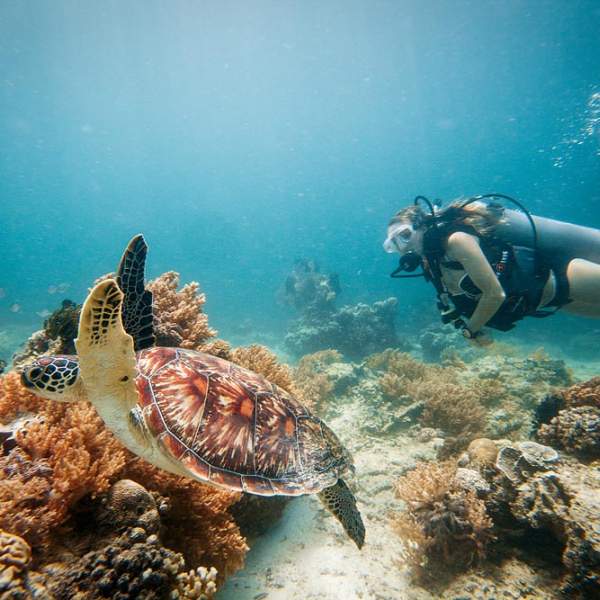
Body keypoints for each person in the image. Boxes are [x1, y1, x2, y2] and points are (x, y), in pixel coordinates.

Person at [383, 194, 600, 342]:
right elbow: (461, 303)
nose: (403, 247)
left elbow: (494, 294)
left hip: (564, 276)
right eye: (393, 244)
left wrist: (471, 331)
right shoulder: (432, 265)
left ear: (422, 225)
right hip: (553, 301)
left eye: (405, 235)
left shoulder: (457, 241)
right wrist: (475, 329)